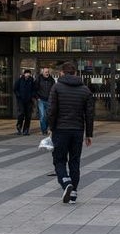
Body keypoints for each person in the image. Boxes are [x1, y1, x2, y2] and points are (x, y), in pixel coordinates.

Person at [47, 61, 94, 204]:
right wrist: (89, 134)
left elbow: (51, 110)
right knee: (75, 161)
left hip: (60, 130)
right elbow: (90, 114)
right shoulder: (85, 90)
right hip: (77, 131)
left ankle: (66, 182)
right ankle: (73, 193)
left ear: (62, 73)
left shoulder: (56, 88)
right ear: (75, 73)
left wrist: (50, 127)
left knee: (59, 160)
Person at [13, 69, 36, 135]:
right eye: (27, 73)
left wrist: (32, 95)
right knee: (21, 114)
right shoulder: (20, 80)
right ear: (24, 74)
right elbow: (15, 89)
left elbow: (34, 89)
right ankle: (19, 126)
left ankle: (26, 130)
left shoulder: (31, 81)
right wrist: (18, 95)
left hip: (29, 101)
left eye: (29, 73)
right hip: (21, 100)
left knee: (28, 116)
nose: (28, 74)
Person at [35, 66, 56, 135]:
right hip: (41, 100)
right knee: (42, 115)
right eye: (46, 72)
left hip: (49, 100)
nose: (47, 73)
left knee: (47, 116)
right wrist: (37, 97)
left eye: (48, 72)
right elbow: (35, 89)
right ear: (43, 72)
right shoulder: (38, 79)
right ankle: (44, 130)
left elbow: (54, 90)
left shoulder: (51, 80)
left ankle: (46, 128)